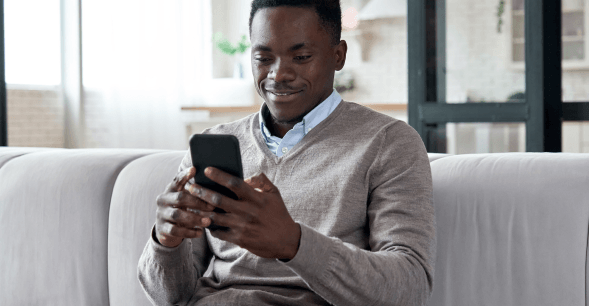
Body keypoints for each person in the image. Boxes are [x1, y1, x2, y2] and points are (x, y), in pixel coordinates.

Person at [138, 0, 436, 305]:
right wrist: (165, 243)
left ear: (338, 55)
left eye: (301, 56)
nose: (278, 74)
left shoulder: (388, 143)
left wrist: (293, 244)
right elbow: (170, 296)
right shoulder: (214, 144)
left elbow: (409, 287)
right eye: (263, 58)